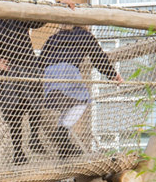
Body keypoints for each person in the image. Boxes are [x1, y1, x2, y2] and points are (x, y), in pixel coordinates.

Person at [0, 0, 45, 165]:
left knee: (33, 102)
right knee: (14, 111)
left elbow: (38, 23)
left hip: (24, 64)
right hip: (13, 68)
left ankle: (33, 137)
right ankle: (19, 150)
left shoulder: (19, 14)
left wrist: (38, 8)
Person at [35, 24, 122, 158]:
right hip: (67, 71)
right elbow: (98, 57)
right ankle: (62, 131)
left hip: (49, 76)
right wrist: (113, 75)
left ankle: (63, 147)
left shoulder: (53, 37)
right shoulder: (84, 35)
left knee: (68, 104)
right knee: (83, 99)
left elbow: (40, 62)